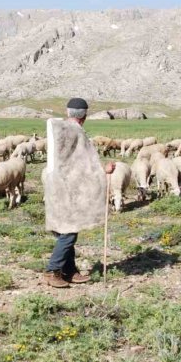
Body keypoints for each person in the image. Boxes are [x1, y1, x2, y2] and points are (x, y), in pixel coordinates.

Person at [41, 98, 114, 288]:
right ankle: (52, 271)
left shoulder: (60, 130)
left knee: (65, 230)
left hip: (56, 187)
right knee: (69, 232)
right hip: (68, 190)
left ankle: (69, 270)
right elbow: (83, 165)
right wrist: (104, 170)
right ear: (85, 116)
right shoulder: (76, 133)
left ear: (68, 112)